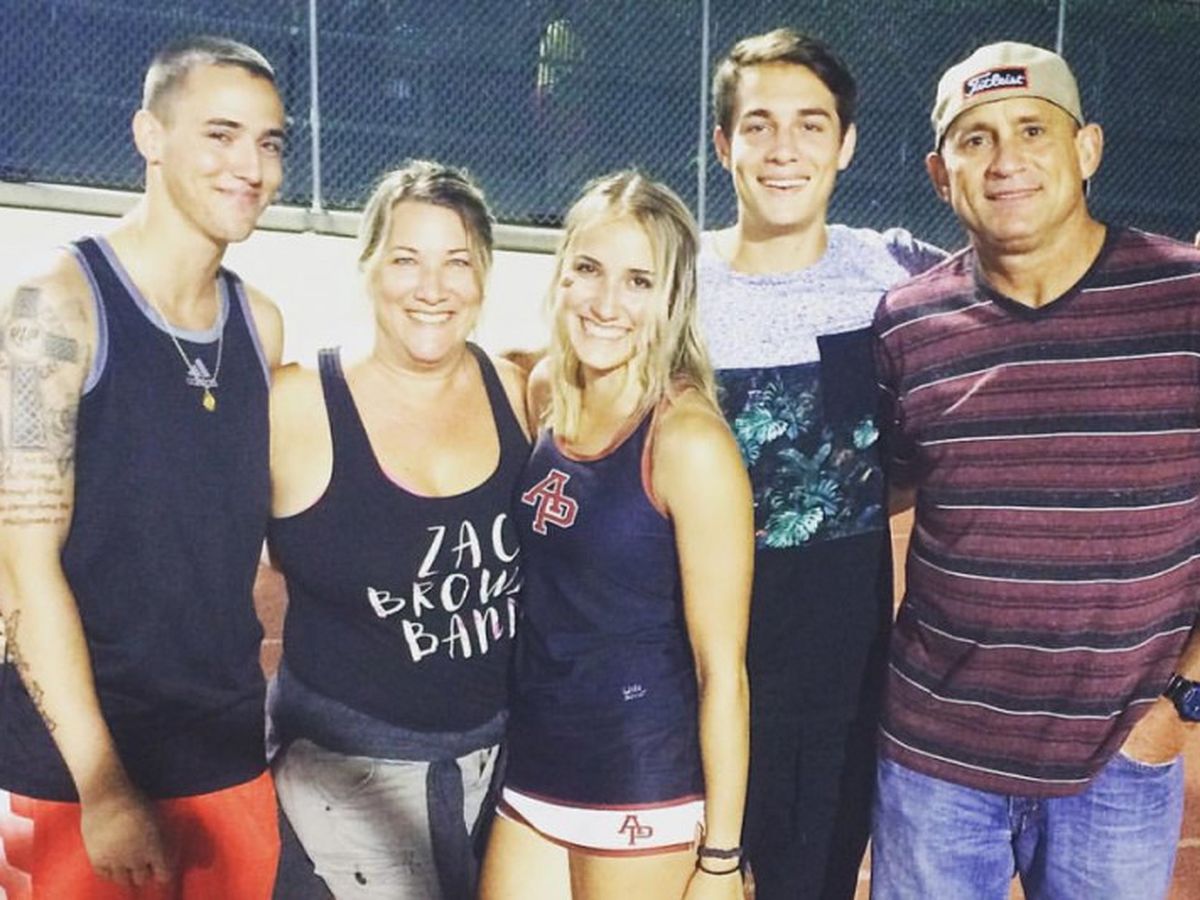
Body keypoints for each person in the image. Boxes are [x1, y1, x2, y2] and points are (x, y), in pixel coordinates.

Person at [871, 41, 1200, 898]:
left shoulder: (1187, 300)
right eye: (975, 139)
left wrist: (1184, 701)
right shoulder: (907, 324)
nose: (1006, 160)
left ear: (1086, 149)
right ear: (940, 174)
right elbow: (889, 486)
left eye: (1031, 130)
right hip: (934, 764)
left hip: (1120, 761)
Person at [0, 36, 285, 898]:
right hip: (81, 776)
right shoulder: (56, 304)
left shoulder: (259, 324)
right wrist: (102, 784)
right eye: (220, 135)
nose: (251, 167)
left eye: (269, 142)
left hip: (225, 755)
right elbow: (19, 567)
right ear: (149, 136)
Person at [698, 28, 944, 899]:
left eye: (810, 125)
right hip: (679, 672)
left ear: (845, 144)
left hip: (833, 686)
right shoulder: (672, 281)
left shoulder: (895, 275)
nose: (783, 149)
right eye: (758, 125)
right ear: (723, 144)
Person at [479, 171, 753, 900]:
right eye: (589, 270)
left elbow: (722, 670)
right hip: (536, 766)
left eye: (638, 281)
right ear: (561, 275)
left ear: (673, 298)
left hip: (641, 780)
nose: (606, 303)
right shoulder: (547, 392)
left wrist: (721, 858)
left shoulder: (690, 442)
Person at [266, 160, 529, 900]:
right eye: (407, 259)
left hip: (497, 775)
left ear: (484, 277)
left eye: (457, 263)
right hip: (343, 792)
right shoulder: (296, 405)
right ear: (369, 266)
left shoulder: (515, 391)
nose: (432, 287)